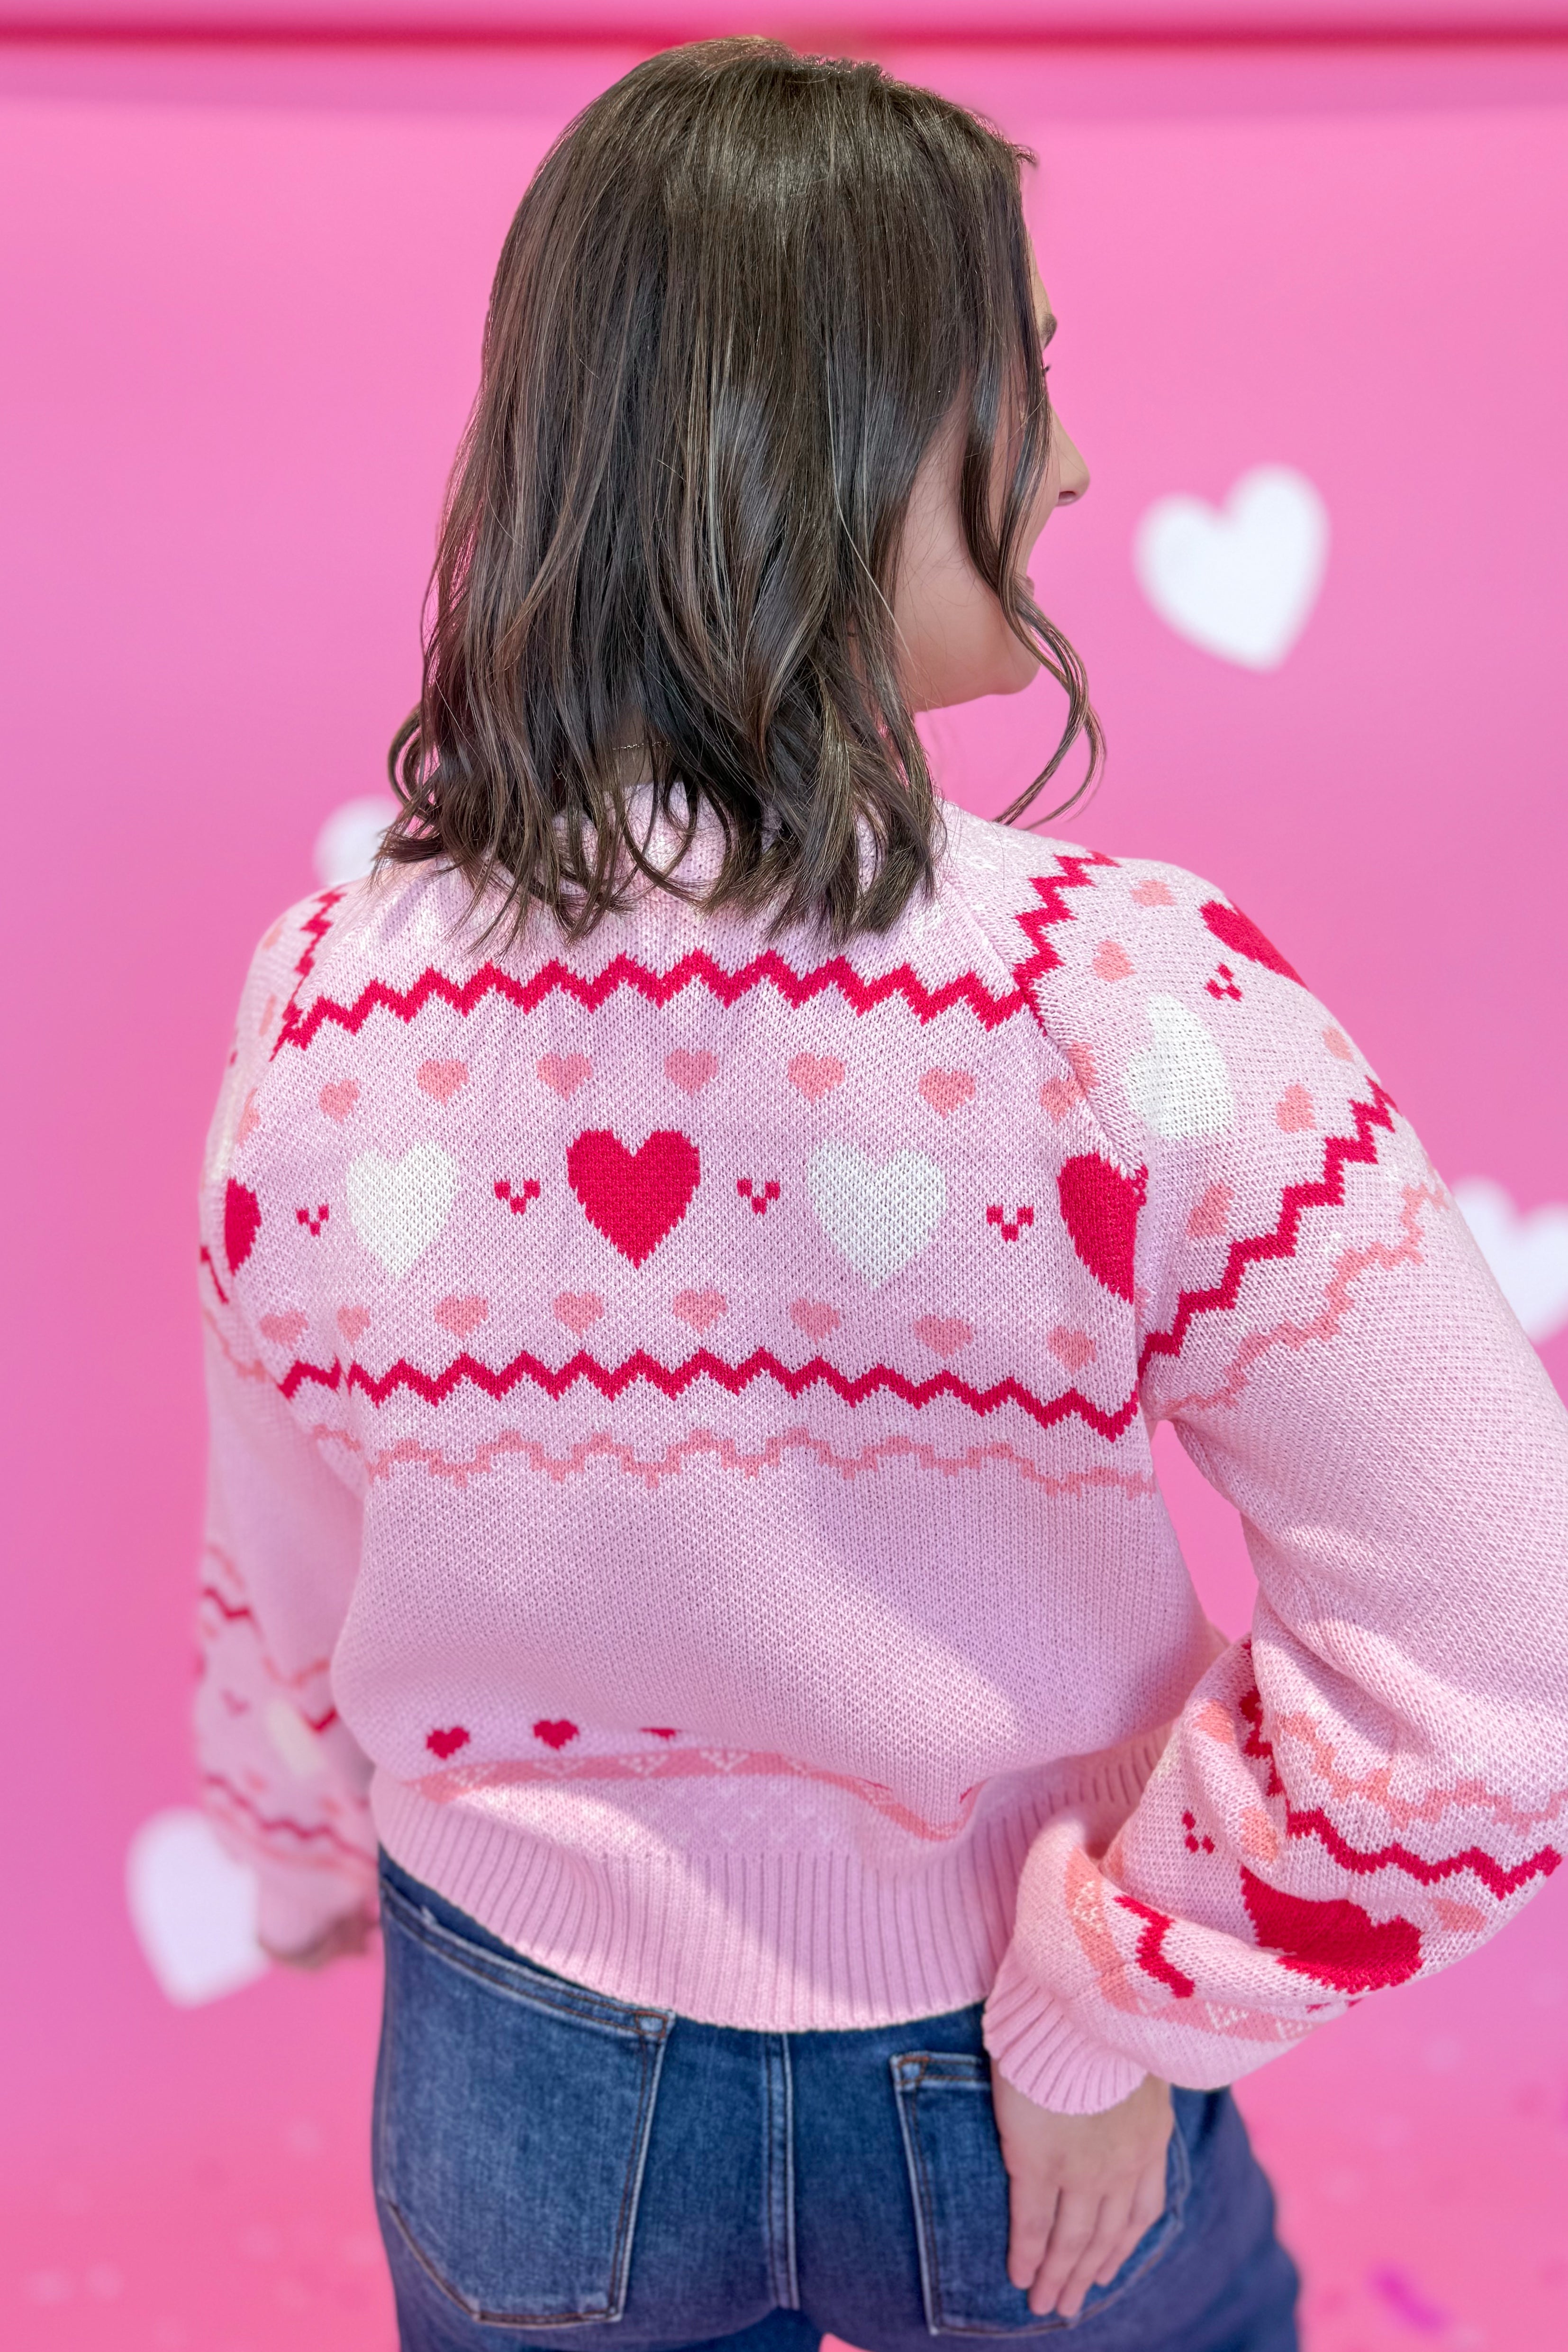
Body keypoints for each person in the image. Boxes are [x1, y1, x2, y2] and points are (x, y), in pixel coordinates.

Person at [193, 39, 1568, 2352]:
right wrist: (1130, 1988)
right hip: (1017, 2104)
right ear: (829, 432)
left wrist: (288, 1840)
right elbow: (1510, 1629)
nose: (1077, 460)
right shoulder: (1122, 1003)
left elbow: (290, 1537)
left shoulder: (326, 995)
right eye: (1023, 372)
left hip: (512, 2057)